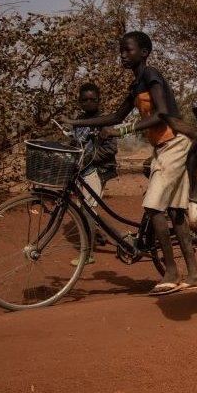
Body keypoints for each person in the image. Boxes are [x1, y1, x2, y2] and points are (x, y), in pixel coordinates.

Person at [63, 31, 197, 295]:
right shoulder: (136, 85)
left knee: (154, 206)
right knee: (175, 211)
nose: (123, 55)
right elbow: (115, 116)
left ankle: (172, 271)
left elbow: (161, 114)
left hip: (175, 143)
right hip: (163, 147)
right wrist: (77, 122)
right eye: (121, 51)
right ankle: (194, 272)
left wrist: (122, 132)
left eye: (128, 50)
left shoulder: (151, 75)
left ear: (144, 53)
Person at [71, 82, 119, 264]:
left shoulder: (105, 121)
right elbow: (75, 144)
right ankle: (113, 237)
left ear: (99, 101)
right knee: (84, 209)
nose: (89, 103)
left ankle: (88, 253)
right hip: (80, 172)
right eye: (85, 100)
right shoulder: (78, 122)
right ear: (80, 102)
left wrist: (89, 159)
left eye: (93, 99)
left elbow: (111, 149)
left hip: (96, 171)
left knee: (88, 211)